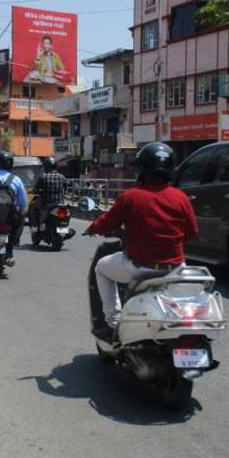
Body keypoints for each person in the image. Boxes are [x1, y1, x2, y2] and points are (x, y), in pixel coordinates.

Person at [86, 142, 199, 340]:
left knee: (101, 268)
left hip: (139, 269)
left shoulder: (131, 197)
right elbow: (191, 232)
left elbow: (107, 222)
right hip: (175, 268)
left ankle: (113, 322)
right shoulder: (181, 198)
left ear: (141, 169)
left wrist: (93, 227)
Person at [30, 157, 66, 228]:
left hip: (45, 203)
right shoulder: (62, 177)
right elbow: (64, 188)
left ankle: (35, 225)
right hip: (60, 203)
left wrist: (34, 191)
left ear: (46, 167)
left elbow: (36, 189)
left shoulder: (42, 177)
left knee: (33, 205)